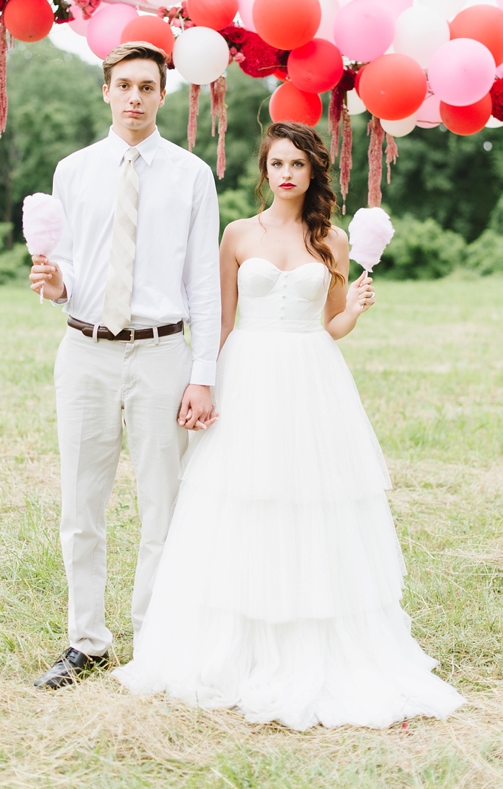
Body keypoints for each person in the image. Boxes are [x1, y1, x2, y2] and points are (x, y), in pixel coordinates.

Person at [113, 122, 463, 730]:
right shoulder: (237, 234)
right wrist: (203, 382)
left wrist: (351, 308)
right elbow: (219, 320)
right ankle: (231, 641)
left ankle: (311, 637)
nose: (287, 174)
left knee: (309, 499)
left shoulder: (332, 239)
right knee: (241, 497)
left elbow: (329, 325)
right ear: (265, 170)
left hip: (309, 377)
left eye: (298, 164)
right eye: (277, 163)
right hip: (245, 371)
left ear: (312, 173)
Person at [28, 41, 220, 689]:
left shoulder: (193, 174)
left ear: (163, 94)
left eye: (147, 86)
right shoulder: (72, 170)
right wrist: (56, 283)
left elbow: (204, 283)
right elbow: (79, 267)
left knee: (162, 506)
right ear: (105, 91)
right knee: (82, 504)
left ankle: (154, 642)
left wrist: (204, 371)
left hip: (163, 353)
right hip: (84, 351)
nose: (135, 97)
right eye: (124, 85)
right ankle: (87, 641)